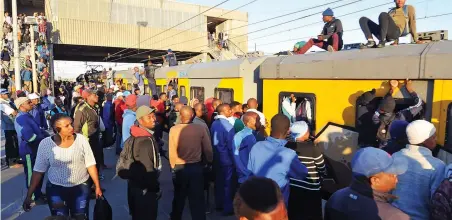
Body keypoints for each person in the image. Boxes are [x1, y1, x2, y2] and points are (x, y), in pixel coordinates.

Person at [22, 114, 102, 218]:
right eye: (67, 126)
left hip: (81, 188)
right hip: (56, 190)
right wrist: (29, 195)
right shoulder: (45, 144)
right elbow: (38, 171)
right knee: (59, 218)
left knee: (80, 216)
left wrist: (97, 186)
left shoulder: (81, 140)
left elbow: (90, 164)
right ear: (56, 129)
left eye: (71, 124)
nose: (71, 128)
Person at [324, 147, 409, 220]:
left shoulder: (335, 198)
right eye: (392, 174)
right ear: (375, 180)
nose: (396, 179)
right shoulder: (395, 217)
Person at [247, 114, 308, 205]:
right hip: (276, 207)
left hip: (256, 202)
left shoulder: (256, 146)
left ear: (271, 128)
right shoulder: (289, 154)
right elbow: (302, 173)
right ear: (288, 131)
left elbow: (250, 172)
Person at [391, 120, 446, 220]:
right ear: (424, 140)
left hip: (393, 215)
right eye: (433, 137)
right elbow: (436, 201)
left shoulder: (396, 156)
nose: (436, 140)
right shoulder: (437, 166)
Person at [169, 106, 213, 220]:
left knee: (178, 198)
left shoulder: (174, 130)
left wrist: (173, 166)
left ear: (180, 116)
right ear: (192, 115)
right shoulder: (200, 129)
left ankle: (175, 217)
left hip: (179, 168)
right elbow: (208, 149)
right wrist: (209, 161)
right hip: (196, 168)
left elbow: (172, 150)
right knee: (197, 199)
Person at [285, 121, 326, 220]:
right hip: (311, 188)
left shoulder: (287, 145)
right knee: (312, 214)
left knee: (295, 212)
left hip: (293, 186)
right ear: (303, 133)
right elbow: (321, 167)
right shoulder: (312, 148)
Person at [14, 97, 47, 203]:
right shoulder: (21, 118)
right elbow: (29, 136)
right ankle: (33, 196)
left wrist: (44, 134)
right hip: (29, 150)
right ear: (21, 105)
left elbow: (36, 129)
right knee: (31, 174)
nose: (32, 103)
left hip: (36, 148)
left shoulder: (28, 115)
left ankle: (38, 193)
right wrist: (41, 137)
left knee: (38, 171)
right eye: (28, 102)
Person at [373, 80, 423, 148]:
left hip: (383, 150)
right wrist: (410, 89)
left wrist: (391, 90)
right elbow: (419, 104)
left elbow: (381, 108)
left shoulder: (375, 119)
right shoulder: (401, 117)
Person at [210, 104, 236, 215]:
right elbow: (231, 146)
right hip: (227, 160)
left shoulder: (214, 124)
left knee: (218, 182)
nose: (231, 111)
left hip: (216, 158)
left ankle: (218, 205)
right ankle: (227, 208)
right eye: (229, 110)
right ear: (224, 111)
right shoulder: (229, 127)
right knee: (228, 184)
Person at [73, 89, 102, 173]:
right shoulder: (82, 109)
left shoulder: (95, 107)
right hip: (87, 140)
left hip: (95, 138)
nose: (97, 96)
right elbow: (76, 128)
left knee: (96, 160)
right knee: (89, 164)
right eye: (95, 95)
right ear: (88, 96)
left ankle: (95, 181)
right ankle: (90, 183)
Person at [233, 112, 261, 186]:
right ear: (249, 122)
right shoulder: (240, 136)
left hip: (256, 176)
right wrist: (244, 172)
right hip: (245, 178)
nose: (260, 123)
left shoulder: (257, 135)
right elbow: (236, 156)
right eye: (257, 120)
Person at [1, 88, 20, 167]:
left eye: (7, 93)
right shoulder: (2, 103)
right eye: (4, 94)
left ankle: (16, 160)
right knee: (11, 144)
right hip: (9, 126)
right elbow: (8, 116)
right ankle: (12, 162)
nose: (6, 95)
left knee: (15, 143)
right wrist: (15, 120)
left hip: (13, 125)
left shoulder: (8, 101)